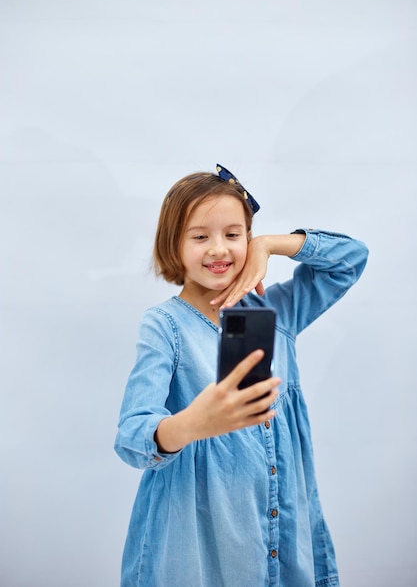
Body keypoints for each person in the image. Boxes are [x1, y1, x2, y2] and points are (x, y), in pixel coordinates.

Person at [114, 164, 369, 587]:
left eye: (234, 235)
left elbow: (351, 259)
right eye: (200, 236)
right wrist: (192, 424)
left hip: (281, 532)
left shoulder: (276, 314)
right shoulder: (165, 326)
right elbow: (132, 437)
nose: (219, 249)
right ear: (173, 245)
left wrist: (272, 244)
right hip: (201, 541)